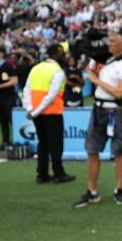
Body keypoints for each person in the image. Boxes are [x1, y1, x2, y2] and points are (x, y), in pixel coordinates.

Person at [74, 32, 122, 208]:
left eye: (112, 41)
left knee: (119, 150)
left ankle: (119, 189)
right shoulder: (108, 61)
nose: (108, 44)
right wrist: (86, 69)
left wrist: (95, 79)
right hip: (98, 110)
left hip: (118, 111)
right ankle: (92, 191)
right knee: (92, 149)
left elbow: (119, 92)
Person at [23, 44, 75, 185]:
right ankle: (59, 174)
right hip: (52, 113)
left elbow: (27, 89)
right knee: (56, 145)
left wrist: (30, 109)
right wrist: (36, 111)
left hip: (36, 114)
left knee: (43, 144)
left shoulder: (36, 68)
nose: (65, 56)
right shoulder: (57, 71)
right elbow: (51, 96)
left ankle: (42, 174)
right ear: (57, 53)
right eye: (62, 53)